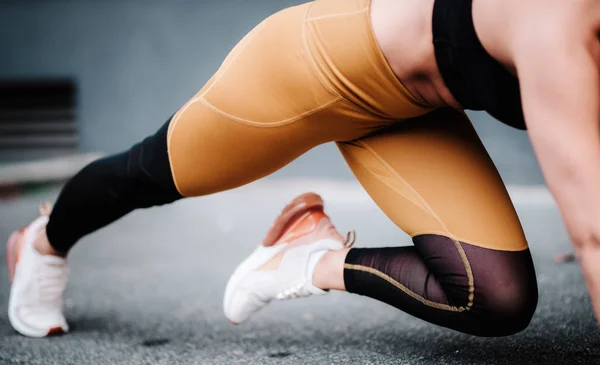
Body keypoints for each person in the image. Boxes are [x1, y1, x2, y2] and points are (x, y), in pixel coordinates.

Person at [6, 0, 600, 338]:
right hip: (309, 71)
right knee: (145, 173)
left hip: (413, 113)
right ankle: (44, 241)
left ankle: (307, 257)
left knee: (496, 297)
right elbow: (592, 235)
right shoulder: (557, 21)